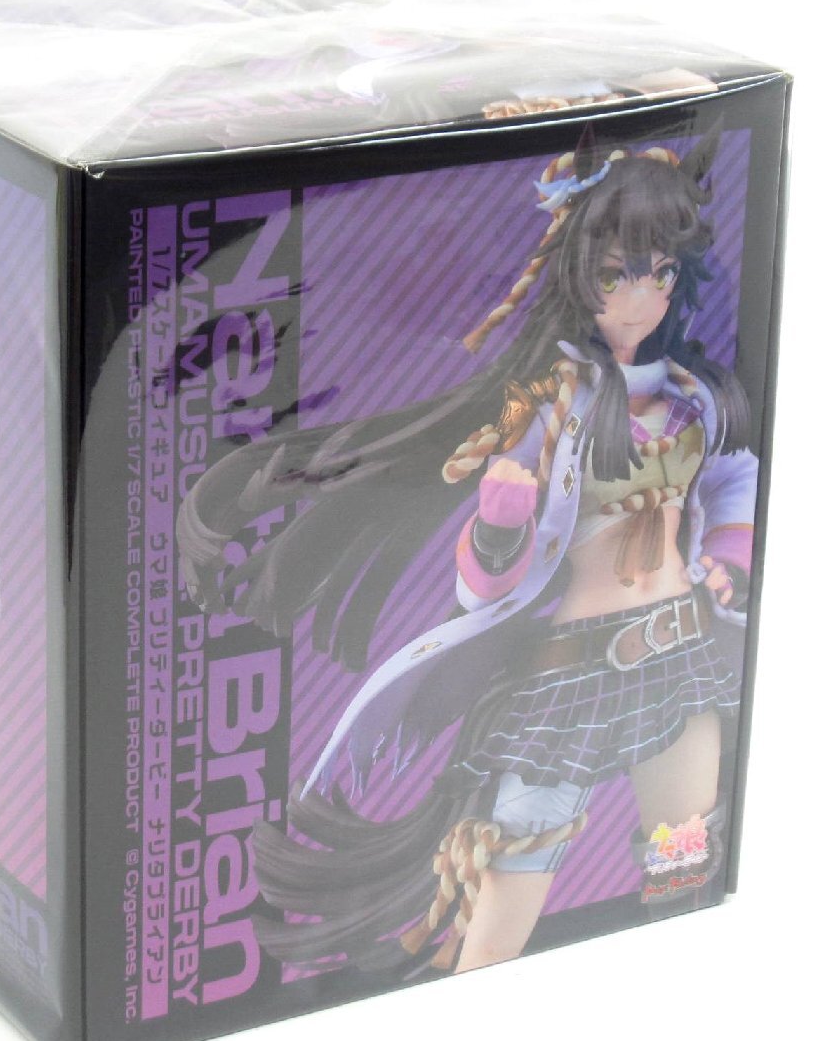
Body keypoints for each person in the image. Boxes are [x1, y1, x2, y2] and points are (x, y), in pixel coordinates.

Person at [176, 122, 758, 975]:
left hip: (681, 655)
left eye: (661, 274)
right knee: (504, 901)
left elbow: (733, 477)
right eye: (617, 275)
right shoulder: (551, 407)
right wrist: (497, 524)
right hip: (571, 676)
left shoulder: (690, 397)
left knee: (683, 870)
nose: (641, 299)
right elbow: (484, 587)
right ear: (581, 274)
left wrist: (730, 556)